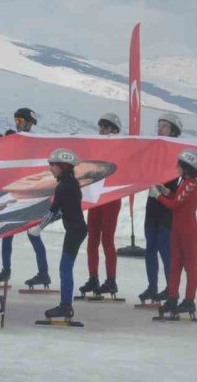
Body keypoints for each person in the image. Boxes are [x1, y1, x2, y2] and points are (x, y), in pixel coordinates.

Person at [28, 148, 87, 322]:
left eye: (53, 165)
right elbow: (65, 211)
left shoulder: (64, 186)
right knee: (65, 268)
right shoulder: (71, 183)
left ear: (63, 166)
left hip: (75, 231)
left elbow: (54, 211)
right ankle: (65, 305)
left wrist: (39, 228)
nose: (50, 168)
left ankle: (66, 306)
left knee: (65, 268)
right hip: (77, 228)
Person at [0, 107, 51, 289]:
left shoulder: (36, 143)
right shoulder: (13, 139)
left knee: (34, 234)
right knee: (7, 233)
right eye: (16, 121)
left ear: (29, 123)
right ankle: (6, 269)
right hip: (14, 194)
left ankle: (43, 273)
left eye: (20, 121)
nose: (17, 125)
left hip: (32, 196)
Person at [155, 148, 197, 318]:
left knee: (190, 267)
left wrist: (158, 197)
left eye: (179, 165)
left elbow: (175, 205)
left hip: (188, 232)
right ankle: (172, 299)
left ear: (186, 167)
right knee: (175, 266)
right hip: (178, 231)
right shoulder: (183, 183)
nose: (176, 167)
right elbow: (177, 198)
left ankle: (189, 301)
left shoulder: (191, 184)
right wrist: (164, 191)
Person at [138, 113, 182, 304]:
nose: (160, 129)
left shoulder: (177, 154)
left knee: (165, 251)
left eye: (164, 126)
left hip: (167, 207)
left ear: (173, 130)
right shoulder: (154, 151)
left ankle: (172, 290)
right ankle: (152, 287)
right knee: (150, 250)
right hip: (152, 206)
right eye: (159, 125)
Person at [80, 112, 123, 297]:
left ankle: (111, 281)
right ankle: (93, 278)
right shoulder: (95, 146)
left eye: (105, 127)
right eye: (101, 127)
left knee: (107, 240)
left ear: (114, 130)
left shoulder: (120, 147)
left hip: (111, 198)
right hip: (96, 197)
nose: (102, 130)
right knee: (92, 241)